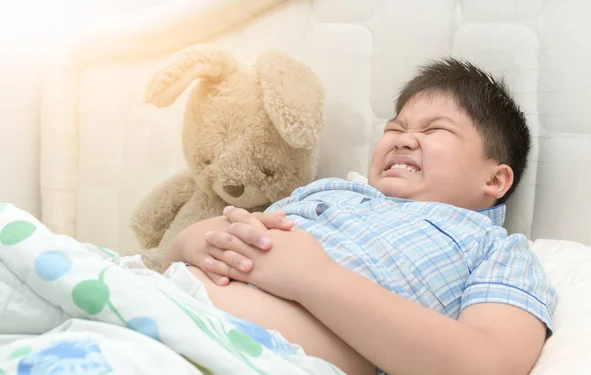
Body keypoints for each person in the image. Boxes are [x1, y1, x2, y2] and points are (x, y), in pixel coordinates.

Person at [162, 57, 556, 375]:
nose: (404, 137)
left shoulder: (497, 251)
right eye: (395, 127)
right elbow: (188, 252)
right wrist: (197, 237)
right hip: (158, 300)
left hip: (244, 353)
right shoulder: (329, 191)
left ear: (495, 178)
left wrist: (313, 278)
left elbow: (489, 364)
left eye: (436, 130)